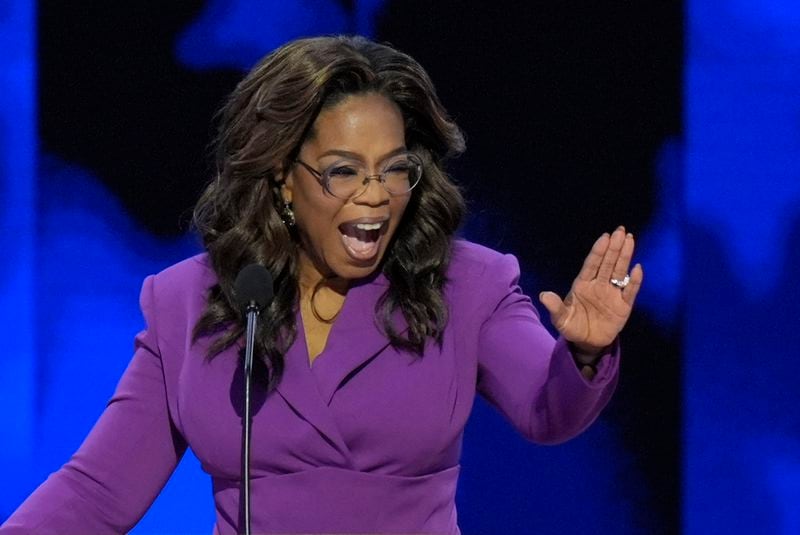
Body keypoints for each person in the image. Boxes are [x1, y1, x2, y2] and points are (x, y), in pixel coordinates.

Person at [0, 35, 643, 534]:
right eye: (344, 171)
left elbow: (547, 407)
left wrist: (583, 352)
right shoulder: (193, 303)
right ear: (283, 176)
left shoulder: (466, 283)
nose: (375, 196)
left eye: (394, 171)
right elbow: (98, 492)